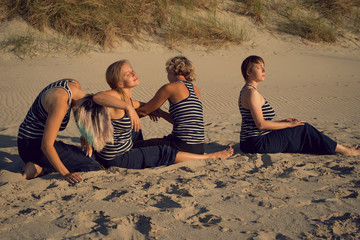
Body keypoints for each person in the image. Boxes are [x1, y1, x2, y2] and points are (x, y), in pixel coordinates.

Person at [75, 60, 233, 169]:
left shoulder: (127, 100)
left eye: (132, 70)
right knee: (163, 152)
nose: (134, 73)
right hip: (117, 159)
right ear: (120, 83)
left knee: (138, 135)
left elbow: (143, 108)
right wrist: (87, 136)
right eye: (128, 74)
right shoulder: (114, 96)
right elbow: (95, 98)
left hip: (121, 152)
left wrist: (152, 111)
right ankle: (211, 157)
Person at [17, 79, 139, 184]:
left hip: (32, 140)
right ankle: (41, 169)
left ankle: (39, 165)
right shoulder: (60, 103)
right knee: (92, 166)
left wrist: (85, 134)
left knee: (85, 155)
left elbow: (77, 109)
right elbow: (46, 145)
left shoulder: (73, 84)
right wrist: (66, 174)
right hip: (32, 146)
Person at [238, 55, 360, 155]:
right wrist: (288, 124)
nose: (264, 71)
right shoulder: (251, 93)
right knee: (303, 128)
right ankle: (347, 151)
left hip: (249, 142)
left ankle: (316, 138)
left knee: (298, 130)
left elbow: (256, 122)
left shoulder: (248, 90)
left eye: (264, 67)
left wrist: (284, 122)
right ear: (249, 72)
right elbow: (261, 124)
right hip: (256, 143)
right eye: (259, 68)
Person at [135, 56, 205, 154]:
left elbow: (143, 111)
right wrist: (161, 113)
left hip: (181, 145)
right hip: (198, 148)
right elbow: (181, 121)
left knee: (136, 146)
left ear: (171, 70)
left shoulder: (171, 87)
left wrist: (122, 116)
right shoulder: (195, 89)